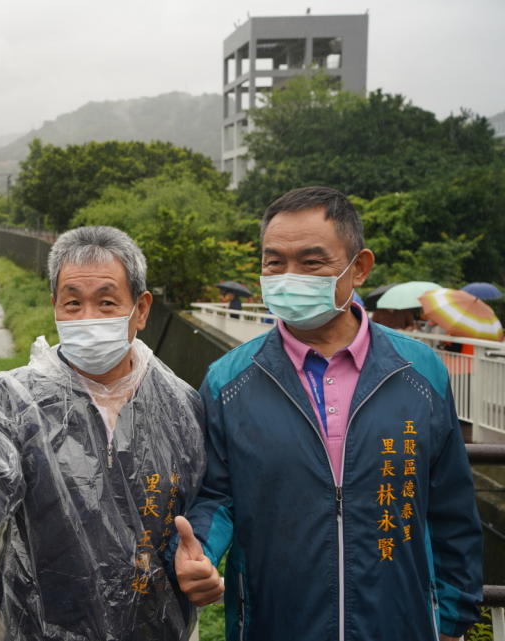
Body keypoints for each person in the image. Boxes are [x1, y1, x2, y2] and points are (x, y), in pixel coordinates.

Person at [175, 187, 483, 640]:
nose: (288, 275)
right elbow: (217, 496)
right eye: (274, 262)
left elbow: (451, 504)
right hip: (276, 623)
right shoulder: (229, 380)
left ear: (358, 267)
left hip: (400, 624)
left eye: (311, 262)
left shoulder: (420, 373)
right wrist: (199, 550)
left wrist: (453, 620)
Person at [0, 226, 206, 640]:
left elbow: (205, 502)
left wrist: (205, 556)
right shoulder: (18, 396)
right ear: (54, 306)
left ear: (142, 308)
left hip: (155, 624)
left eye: (107, 302)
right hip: (40, 623)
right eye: (73, 303)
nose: (88, 317)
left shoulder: (180, 404)